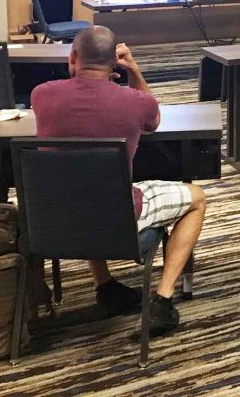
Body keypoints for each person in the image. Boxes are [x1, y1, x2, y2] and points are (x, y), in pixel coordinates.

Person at [30, 26, 207, 334]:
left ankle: (106, 286)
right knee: (197, 197)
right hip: (116, 221)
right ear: (115, 61)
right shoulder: (136, 103)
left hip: (54, 219)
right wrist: (133, 70)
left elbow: (81, 104)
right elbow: (152, 120)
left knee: (81, 185)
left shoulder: (42, 95)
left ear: (72, 57)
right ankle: (162, 301)